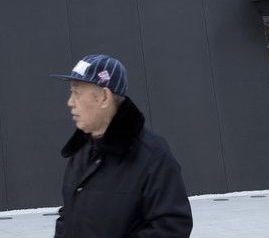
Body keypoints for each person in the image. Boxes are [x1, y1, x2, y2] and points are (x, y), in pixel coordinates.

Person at [50, 54, 193, 238]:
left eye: (77, 93)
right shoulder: (82, 151)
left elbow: (172, 227)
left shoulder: (152, 156)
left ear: (104, 97)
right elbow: (69, 214)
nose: (70, 102)